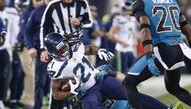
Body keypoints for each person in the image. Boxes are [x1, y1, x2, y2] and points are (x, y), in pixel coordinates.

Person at [123, 0, 191, 109]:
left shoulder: (141, 3)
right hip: (179, 49)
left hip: (161, 49)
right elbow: (189, 31)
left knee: (128, 83)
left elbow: (145, 30)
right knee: (173, 87)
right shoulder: (172, 1)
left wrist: (150, 57)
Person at [44, 32, 182, 109]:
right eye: (60, 50)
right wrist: (71, 92)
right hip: (87, 92)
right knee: (90, 106)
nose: (65, 50)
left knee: (132, 95)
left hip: (100, 79)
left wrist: (100, 51)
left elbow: (90, 48)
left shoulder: (73, 47)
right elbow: (56, 94)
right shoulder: (55, 68)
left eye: (65, 46)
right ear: (52, 53)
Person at [39, 0, 93, 64]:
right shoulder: (52, 6)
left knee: (82, 73)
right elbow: (44, 27)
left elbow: (90, 23)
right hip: (59, 47)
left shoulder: (82, 3)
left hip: (78, 45)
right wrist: (43, 49)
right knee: (59, 74)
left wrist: (79, 24)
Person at [24, 0, 57, 109]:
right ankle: (37, 107)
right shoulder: (36, 11)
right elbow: (27, 31)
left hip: (59, 52)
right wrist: (30, 47)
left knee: (59, 81)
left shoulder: (61, 10)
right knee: (40, 82)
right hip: (41, 51)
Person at [0, 0, 20, 109]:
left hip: (5, 48)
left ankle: (2, 99)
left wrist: (13, 44)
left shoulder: (11, 12)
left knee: (5, 75)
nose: (0, 0)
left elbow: (13, 30)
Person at [107, 1, 138, 73]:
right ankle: (122, 84)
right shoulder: (119, 19)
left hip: (130, 49)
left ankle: (132, 83)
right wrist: (121, 42)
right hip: (121, 49)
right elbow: (110, 35)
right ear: (122, 10)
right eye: (126, 10)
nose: (128, 12)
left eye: (129, 10)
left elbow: (133, 33)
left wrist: (134, 40)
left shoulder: (133, 19)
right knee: (122, 71)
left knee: (134, 69)